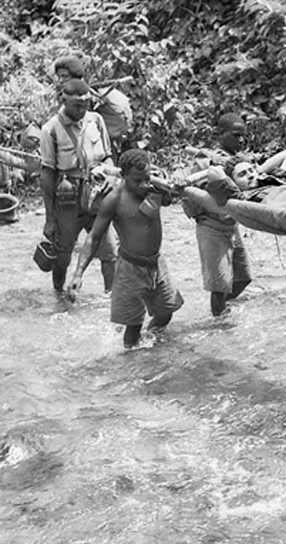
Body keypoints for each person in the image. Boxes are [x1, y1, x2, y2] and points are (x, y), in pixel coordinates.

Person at [67, 149, 184, 349]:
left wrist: (173, 186)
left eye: (146, 178)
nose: (143, 185)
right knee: (133, 327)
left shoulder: (154, 188)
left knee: (166, 312)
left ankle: (152, 345)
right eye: (137, 181)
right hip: (131, 268)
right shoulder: (114, 199)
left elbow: (172, 198)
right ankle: (133, 364)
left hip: (156, 263)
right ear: (123, 176)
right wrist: (78, 274)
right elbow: (94, 236)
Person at [180, 113, 286, 316]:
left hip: (231, 224)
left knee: (243, 278)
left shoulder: (238, 163)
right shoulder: (206, 163)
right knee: (219, 286)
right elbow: (189, 190)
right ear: (220, 134)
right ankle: (218, 321)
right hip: (211, 227)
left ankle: (223, 308)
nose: (240, 140)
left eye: (243, 136)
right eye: (235, 135)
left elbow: (285, 155)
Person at [39, 78, 117, 295]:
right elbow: (46, 175)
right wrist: (50, 219)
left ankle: (110, 301)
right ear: (64, 100)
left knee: (110, 252)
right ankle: (59, 297)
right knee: (62, 255)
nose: (82, 109)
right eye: (76, 105)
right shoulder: (51, 130)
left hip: (97, 195)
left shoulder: (96, 121)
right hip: (67, 200)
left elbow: (109, 157)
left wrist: (110, 177)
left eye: (85, 104)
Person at [53, 55, 132, 160]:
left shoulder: (82, 94)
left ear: (75, 75)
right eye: (59, 77)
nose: (61, 80)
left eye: (65, 76)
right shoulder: (89, 90)